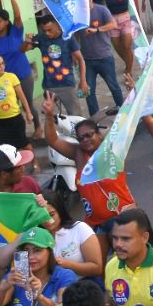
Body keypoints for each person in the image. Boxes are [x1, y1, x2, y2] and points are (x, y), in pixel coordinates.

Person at [42, 97, 136, 232]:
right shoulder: (78, 153)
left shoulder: (112, 149)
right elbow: (53, 140)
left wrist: (135, 95)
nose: (85, 140)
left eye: (89, 135)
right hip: (96, 224)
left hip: (124, 217)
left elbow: (128, 123)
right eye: (81, 138)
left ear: (99, 134)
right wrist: (49, 116)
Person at [0, 0, 37, 106]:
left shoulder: (15, 32)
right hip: (5, 80)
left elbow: (18, 15)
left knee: (28, 105)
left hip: (23, 75)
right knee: (11, 106)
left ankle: (37, 125)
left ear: (6, 22)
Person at [79, 0, 124, 117]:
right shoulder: (78, 14)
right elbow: (76, 34)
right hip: (87, 59)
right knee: (88, 91)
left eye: (86, 0)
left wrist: (97, 29)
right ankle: (95, 117)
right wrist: (76, 54)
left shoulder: (101, 10)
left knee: (113, 86)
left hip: (104, 57)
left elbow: (113, 25)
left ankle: (124, 111)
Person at [34, 14, 87, 118]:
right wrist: (26, 42)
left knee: (76, 117)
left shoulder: (68, 38)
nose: (47, 33)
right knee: (51, 118)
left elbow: (80, 59)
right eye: (44, 30)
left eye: (50, 30)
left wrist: (83, 80)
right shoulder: (41, 38)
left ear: (58, 26)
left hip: (67, 84)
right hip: (49, 86)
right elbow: (22, 49)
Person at [0, 52, 34, 153]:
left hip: (15, 117)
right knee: (2, 149)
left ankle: (35, 163)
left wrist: (28, 112)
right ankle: (13, 167)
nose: (2, 66)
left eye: (3, 63)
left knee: (23, 144)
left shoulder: (11, 77)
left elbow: (22, 96)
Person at [44, 189, 103, 279]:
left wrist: (65, 264)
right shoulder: (36, 236)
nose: (48, 221)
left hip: (81, 286)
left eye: (52, 215)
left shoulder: (79, 229)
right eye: (43, 216)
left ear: (60, 211)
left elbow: (97, 268)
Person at [96, 0, 140, 75]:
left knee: (126, 46)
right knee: (118, 48)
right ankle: (128, 62)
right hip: (112, 22)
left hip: (125, 19)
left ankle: (128, 70)